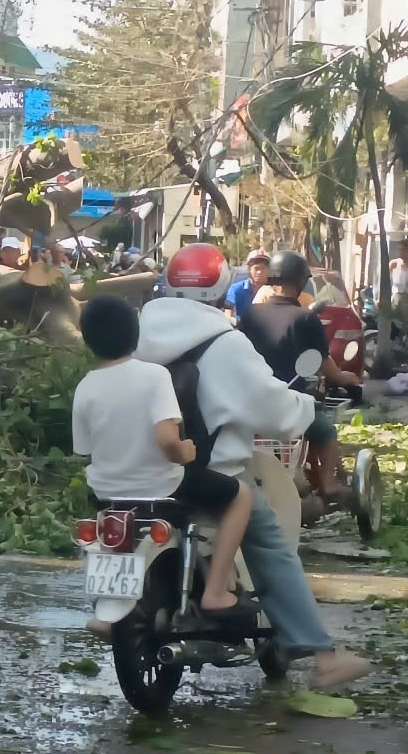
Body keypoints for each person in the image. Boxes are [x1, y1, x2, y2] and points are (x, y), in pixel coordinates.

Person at [136, 243, 372, 689]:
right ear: (224, 287)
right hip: (208, 471)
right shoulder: (224, 343)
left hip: (137, 471)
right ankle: (323, 657)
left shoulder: (137, 333)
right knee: (269, 540)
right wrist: (304, 407)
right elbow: (270, 405)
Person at [74, 295, 256, 617]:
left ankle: (107, 610)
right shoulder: (155, 376)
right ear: (136, 335)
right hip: (162, 487)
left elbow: (85, 450)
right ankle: (215, 592)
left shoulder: (86, 386)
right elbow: (167, 441)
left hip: (106, 494)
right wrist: (186, 451)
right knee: (240, 496)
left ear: (88, 342)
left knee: (112, 527)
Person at [239, 251, 360, 500]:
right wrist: (347, 379)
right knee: (326, 432)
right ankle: (328, 485)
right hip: (287, 406)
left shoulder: (250, 315)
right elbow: (327, 367)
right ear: (302, 281)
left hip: (249, 405)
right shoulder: (306, 318)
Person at [224, 249, 269, 324]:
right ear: (249, 269)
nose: (259, 272)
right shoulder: (236, 289)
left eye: (263, 268)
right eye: (256, 268)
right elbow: (227, 315)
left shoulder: (272, 291)